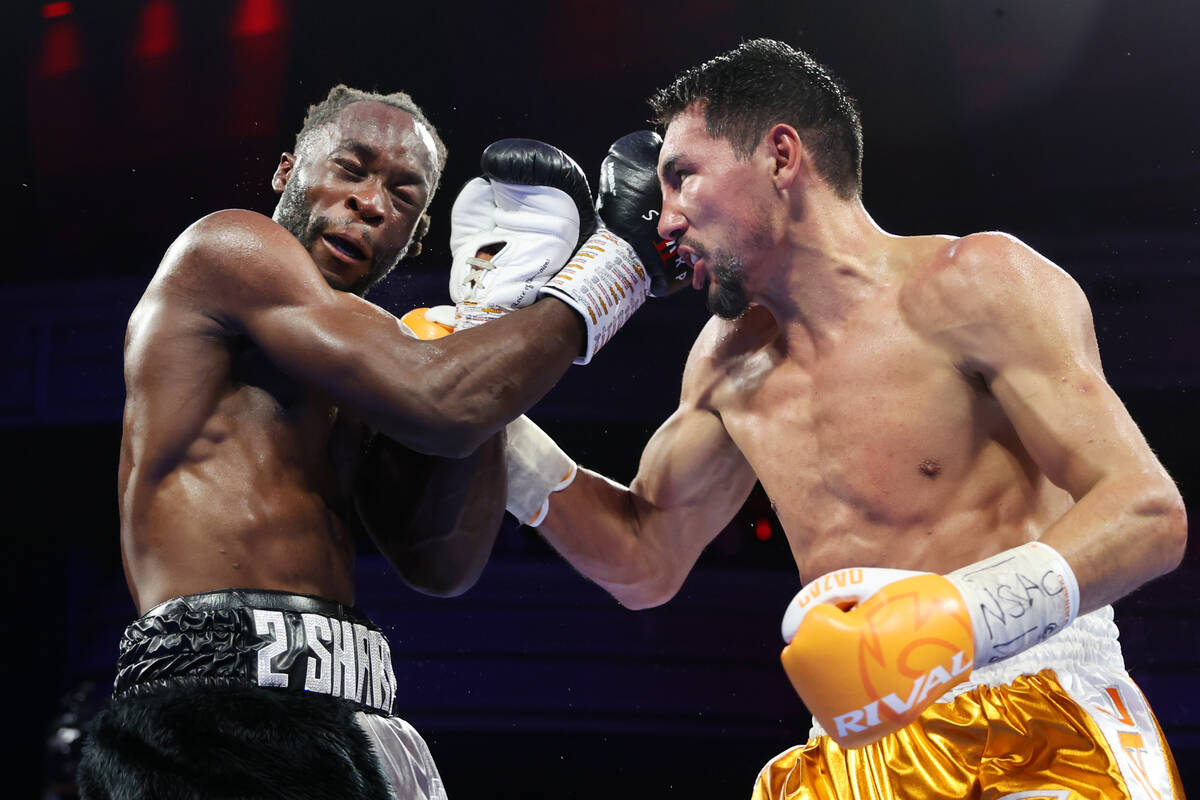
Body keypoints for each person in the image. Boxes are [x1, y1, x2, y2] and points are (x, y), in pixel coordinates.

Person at [501, 40, 1188, 797]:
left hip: (1033, 717)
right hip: (850, 752)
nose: (659, 219)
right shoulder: (726, 362)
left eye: (682, 177)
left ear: (781, 156)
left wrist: (962, 617)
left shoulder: (976, 286)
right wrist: (488, 429)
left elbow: (1147, 513)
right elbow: (642, 558)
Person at [77, 84, 654, 799]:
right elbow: (442, 399)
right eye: (351, 169)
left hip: (355, 722)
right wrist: (618, 264)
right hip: (209, 719)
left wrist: (486, 316)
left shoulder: (389, 361)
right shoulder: (227, 249)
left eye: (402, 196)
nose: (371, 202)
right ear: (287, 171)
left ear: (414, 239)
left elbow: (442, 561)